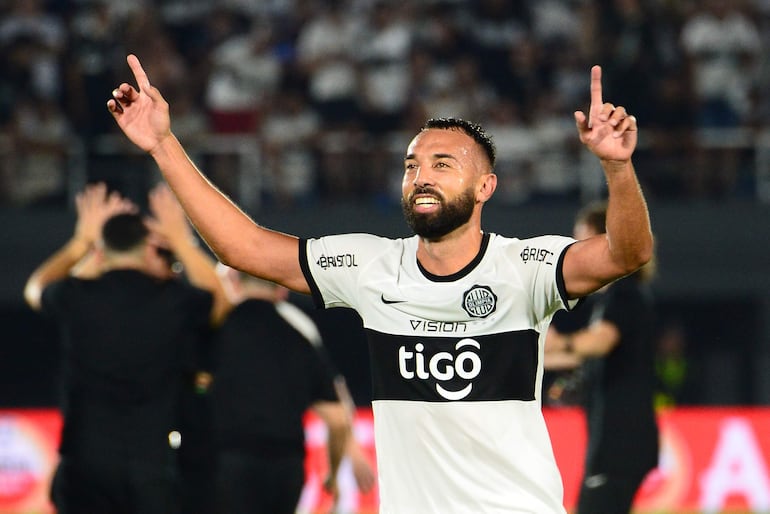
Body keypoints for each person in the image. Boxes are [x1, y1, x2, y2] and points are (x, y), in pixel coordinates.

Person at [107, 54, 653, 513]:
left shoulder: (525, 268)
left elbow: (627, 254)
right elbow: (244, 249)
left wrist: (617, 169)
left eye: (443, 164)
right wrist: (163, 145)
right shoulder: (369, 268)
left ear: (485, 186)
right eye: (412, 164)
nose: (422, 175)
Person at [23, 182, 218, 514]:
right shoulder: (171, 300)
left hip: (84, 462)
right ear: (146, 250)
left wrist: (81, 241)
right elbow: (219, 300)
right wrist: (181, 241)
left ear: (101, 252)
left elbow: (36, 289)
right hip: (150, 463)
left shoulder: (78, 296)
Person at [545, 201, 659, 514]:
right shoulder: (610, 300)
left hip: (621, 442)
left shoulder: (625, 293)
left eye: (579, 239)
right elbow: (582, 356)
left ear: (602, 242)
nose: (573, 250)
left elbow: (600, 343)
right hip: (616, 442)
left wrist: (558, 344)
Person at [209, 264, 352, 514]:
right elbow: (339, 420)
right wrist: (332, 473)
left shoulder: (218, 327)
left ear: (236, 282)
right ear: (281, 290)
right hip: (285, 468)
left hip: (227, 461)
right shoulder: (298, 337)